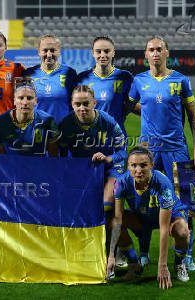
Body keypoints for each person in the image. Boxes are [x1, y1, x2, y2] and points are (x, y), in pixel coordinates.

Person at [129, 36, 195, 270]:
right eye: (151, 49)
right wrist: (150, 113)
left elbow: (192, 115)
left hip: (177, 150)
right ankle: (143, 252)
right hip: (148, 153)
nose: (155, 53)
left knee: (183, 202)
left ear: (167, 52)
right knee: (145, 201)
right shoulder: (139, 81)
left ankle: (187, 253)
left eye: (159, 49)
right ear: (145, 54)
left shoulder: (181, 81)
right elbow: (130, 105)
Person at [107, 144, 191, 289]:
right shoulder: (120, 183)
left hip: (170, 217)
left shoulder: (162, 184)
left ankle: (179, 262)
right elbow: (118, 219)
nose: (138, 170)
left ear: (152, 165)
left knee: (182, 231)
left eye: (143, 165)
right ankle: (134, 264)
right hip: (143, 216)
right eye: (133, 165)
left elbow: (164, 228)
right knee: (113, 223)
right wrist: (111, 255)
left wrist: (162, 265)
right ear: (128, 166)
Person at [59, 85, 127, 247]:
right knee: (81, 209)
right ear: (72, 104)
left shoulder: (108, 121)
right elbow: (61, 155)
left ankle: (118, 250)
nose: (82, 108)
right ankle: (90, 247)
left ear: (94, 103)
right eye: (77, 104)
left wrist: (108, 158)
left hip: (110, 167)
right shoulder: (66, 123)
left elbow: (123, 152)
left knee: (106, 207)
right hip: (84, 169)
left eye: (86, 103)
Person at [76, 36, 133, 136]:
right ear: (93, 53)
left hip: (116, 136)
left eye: (106, 51)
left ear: (113, 52)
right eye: (98, 51)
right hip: (89, 137)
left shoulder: (125, 77)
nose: (102, 55)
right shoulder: (82, 78)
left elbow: (131, 104)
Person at [0, 78, 60, 157]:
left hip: (39, 167)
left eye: (29, 98)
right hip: (11, 168)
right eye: (20, 98)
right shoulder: (1, 122)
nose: (25, 103)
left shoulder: (47, 120)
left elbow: (54, 158)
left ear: (35, 101)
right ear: (14, 101)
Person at [23, 34, 77, 123]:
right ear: (39, 52)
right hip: (36, 130)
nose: (49, 55)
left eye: (52, 50)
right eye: (45, 50)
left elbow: (75, 103)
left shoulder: (69, 73)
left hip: (62, 130)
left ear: (59, 51)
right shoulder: (28, 74)